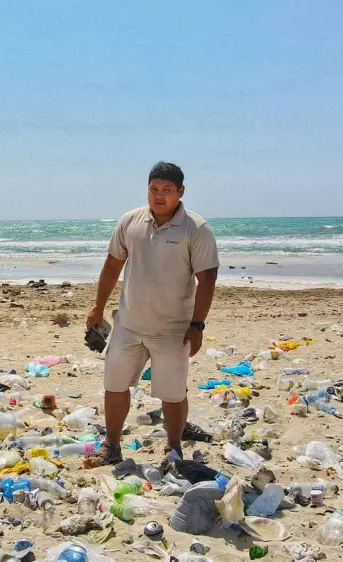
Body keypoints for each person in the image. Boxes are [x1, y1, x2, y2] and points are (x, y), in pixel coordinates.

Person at [85, 161, 219, 465]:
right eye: (153, 189)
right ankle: (112, 446)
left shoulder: (196, 229)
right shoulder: (130, 222)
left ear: (181, 191)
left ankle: (174, 447)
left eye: (167, 190)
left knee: (172, 393)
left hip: (173, 329)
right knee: (114, 386)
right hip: (128, 325)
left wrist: (197, 325)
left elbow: (207, 279)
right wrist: (98, 306)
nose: (159, 195)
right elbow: (112, 265)